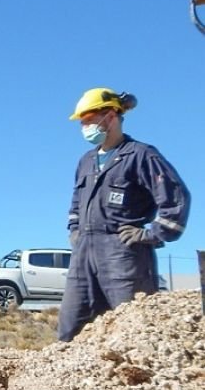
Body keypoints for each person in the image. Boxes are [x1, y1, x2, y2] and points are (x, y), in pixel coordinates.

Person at [57, 88, 191, 342]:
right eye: (82, 122)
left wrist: (151, 234)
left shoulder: (141, 155)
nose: (84, 127)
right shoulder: (86, 161)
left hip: (122, 251)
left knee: (131, 327)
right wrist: (74, 231)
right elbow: (76, 201)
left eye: (88, 120)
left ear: (110, 117)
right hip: (84, 251)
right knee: (71, 327)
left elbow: (176, 197)